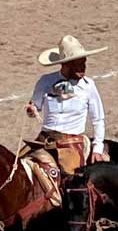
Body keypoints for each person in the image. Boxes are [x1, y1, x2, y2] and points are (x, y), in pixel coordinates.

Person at [26, 35, 107, 174]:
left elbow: (98, 119)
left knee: (69, 180)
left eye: (84, 63)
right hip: (44, 139)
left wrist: (98, 148)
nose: (83, 68)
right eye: (78, 64)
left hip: (71, 144)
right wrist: (31, 110)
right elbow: (35, 107)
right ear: (66, 64)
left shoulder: (88, 86)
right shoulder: (45, 81)